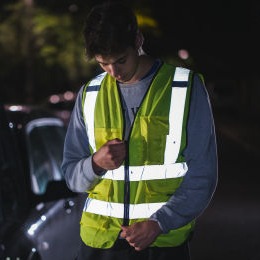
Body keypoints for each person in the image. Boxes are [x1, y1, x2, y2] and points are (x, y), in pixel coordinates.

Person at [61, 2, 218, 260]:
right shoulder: (89, 94)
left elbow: (203, 175)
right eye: (103, 64)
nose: (113, 72)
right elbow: (71, 176)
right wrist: (95, 164)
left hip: (162, 243)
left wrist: (160, 223)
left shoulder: (185, 88)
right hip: (98, 245)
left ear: (138, 40)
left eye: (120, 60)